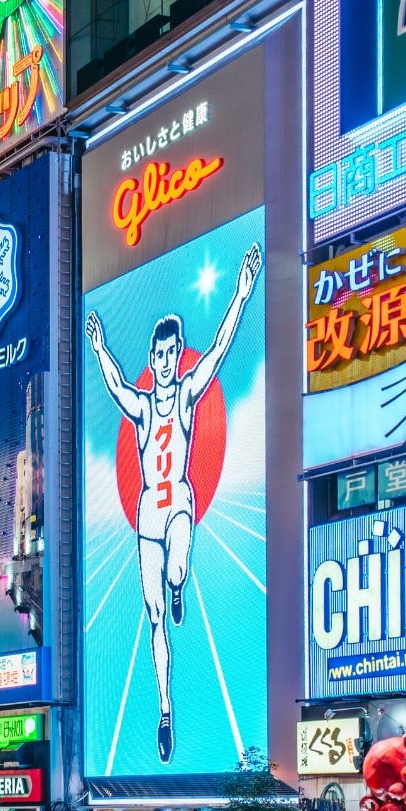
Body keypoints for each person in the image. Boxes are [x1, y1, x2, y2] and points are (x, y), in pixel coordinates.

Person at [84, 242, 261, 764]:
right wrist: (98, 347)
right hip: (147, 517)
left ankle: (180, 582)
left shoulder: (185, 395)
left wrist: (241, 293)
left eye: (171, 353)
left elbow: (221, 350)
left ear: (177, 351)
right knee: (155, 616)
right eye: (157, 356)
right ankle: (165, 709)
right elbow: (115, 385)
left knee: (178, 565)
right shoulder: (141, 406)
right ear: (151, 359)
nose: (164, 363)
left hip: (179, 501)